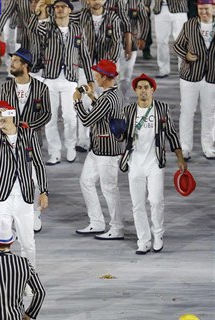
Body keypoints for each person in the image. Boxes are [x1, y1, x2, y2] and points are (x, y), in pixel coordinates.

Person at [117, 74, 186, 254]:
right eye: (139, 87)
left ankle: (158, 234)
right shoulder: (129, 110)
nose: (143, 90)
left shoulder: (162, 109)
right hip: (135, 164)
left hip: (155, 163)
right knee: (137, 205)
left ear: (152, 89)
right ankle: (144, 240)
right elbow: (123, 137)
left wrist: (180, 157)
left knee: (155, 201)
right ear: (135, 90)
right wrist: (118, 132)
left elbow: (171, 133)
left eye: (146, 87)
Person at [0, 101, 49, 268]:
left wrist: (44, 191)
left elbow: (38, 163)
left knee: (28, 242)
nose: (1, 119)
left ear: (12, 115)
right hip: (2, 197)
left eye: (3, 115)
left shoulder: (28, 134)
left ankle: (30, 280)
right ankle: (1, 277)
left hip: (24, 196)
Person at [32, 0, 95, 165]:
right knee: (50, 118)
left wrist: (90, 80)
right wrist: (39, 12)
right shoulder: (47, 27)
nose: (59, 9)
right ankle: (54, 153)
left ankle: (71, 147)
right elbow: (35, 30)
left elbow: (86, 56)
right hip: (49, 78)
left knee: (70, 116)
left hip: (70, 78)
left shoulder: (77, 29)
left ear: (70, 10)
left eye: (63, 6)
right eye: (57, 7)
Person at [0, 48, 51, 232]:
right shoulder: (6, 87)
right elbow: (1, 112)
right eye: (11, 60)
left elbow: (47, 114)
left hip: (32, 140)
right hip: (9, 140)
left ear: (25, 65)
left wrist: (28, 127)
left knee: (34, 177)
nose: (11, 64)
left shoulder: (41, 88)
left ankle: (34, 214)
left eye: (14, 61)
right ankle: (12, 215)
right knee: (12, 178)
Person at [74, 59, 125, 240]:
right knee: (86, 181)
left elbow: (88, 121)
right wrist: (92, 97)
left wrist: (77, 103)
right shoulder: (112, 94)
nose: (94, 79)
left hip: (107, 151)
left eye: (97, 76)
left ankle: (117, 228)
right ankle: (96, 222)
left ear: (104, 77)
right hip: (98, 148)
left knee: (110, 189)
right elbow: (103, 112)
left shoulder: (108, 98)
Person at [173, 0, 215, 160]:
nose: (203, 12)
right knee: (187, 112)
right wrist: (186, 55)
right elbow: (177, 45)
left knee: (210, 112)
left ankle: (208, 147)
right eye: (200, 9)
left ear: (213, 8)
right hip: (190, 75)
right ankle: (185, 147)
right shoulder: (189, 25)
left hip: (211, 77)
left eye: (206, 9)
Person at [152, 0, 188, 78]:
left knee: (181, 41)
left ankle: (184, 69)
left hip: (179, 10)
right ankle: (163, 69)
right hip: (160, 9)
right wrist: (146, 4)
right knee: (161, 41)